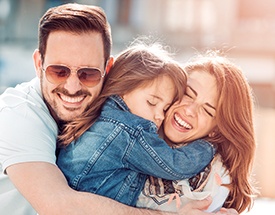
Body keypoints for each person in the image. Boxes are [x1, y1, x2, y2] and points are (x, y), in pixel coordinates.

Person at [0, 3, 238, 215]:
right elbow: (59, 207)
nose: (73, 87)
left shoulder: (100, 109)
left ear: (108, 68)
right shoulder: (19, 115)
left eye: (88, 73)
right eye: (59, 71)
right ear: (38, 64)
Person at [56, 41, 216, 207]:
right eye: (152, 102)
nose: (159, 116)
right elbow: (176, 165)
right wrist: (209, 146)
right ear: (122, 89)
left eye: (165, 108)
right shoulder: (129, 133)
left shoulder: (97, 115)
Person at [137, 51, 257, 214]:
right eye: (187, 94)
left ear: (216, 130)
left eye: (207, 111)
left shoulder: (214, 179)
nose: (190, 110)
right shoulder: (135, 126)